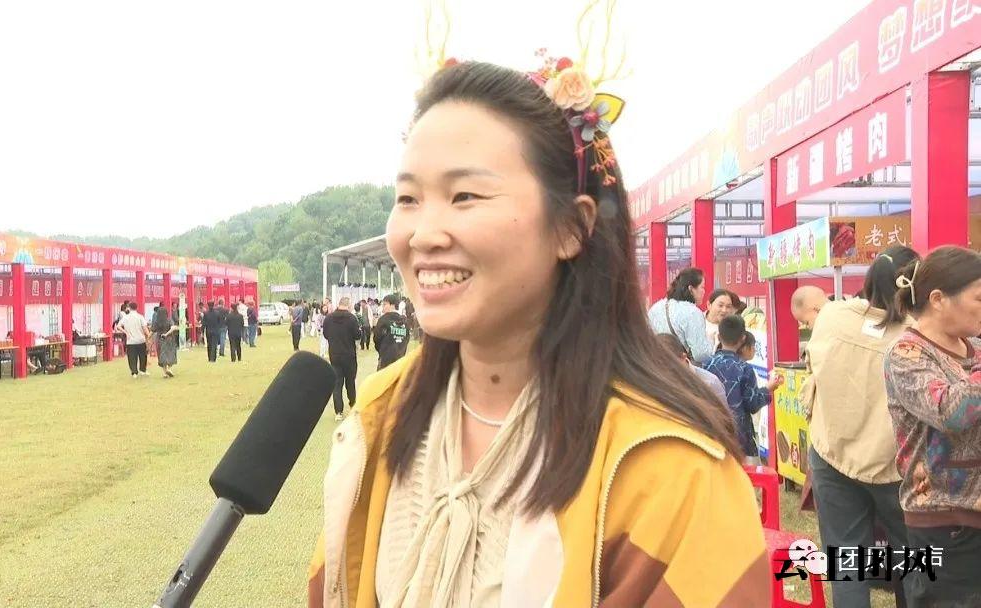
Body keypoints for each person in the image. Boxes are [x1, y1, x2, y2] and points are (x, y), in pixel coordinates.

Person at [308, 60, 766, 607]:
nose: (423, 235)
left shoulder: (673, 472)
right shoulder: (382, 413)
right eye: (408, 199)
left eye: (465, 196)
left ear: (572, 227)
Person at [803, 244, 917, 608]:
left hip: (832, 454)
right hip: (895, 467)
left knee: (846, 561)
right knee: (913, 559)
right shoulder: (917, 335)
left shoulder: (831, 316)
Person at [884, 246, 981, 606]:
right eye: (979, 298)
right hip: (944, 522)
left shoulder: (974, 348)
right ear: (938, 299)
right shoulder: (907, 353)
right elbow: (952, 412)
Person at [705, 315, 782, 460]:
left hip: (712, 431)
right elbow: (752, 403)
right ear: (742, 339)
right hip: (739, 436)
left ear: (719, 337)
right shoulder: (744, 368)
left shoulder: (707, 364)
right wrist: (769, 388)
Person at [647, 268, 714, 364]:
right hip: (679, 366)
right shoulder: (692, 312)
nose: (704, 291)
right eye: (702, 287)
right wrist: (712, 342)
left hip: (656, 363)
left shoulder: (656, 307)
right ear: (691, 289)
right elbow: (701, 355)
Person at [656, 333, 727, 407]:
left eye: (671, 368)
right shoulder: (657, 386)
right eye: (660, 368)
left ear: (684, 357)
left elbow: (723, 412)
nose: (667, 374)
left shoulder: (710, 383)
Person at [323, 297, 360, 421]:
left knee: (337, 384)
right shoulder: (352, 319)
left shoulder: (329, 318)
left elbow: (326, 334)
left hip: (335, 355)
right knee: (350, 382)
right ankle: (353, 405)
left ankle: (338, 411)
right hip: (349, 355)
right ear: (348, 305)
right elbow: (357, 335)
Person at [373, 293, 410, 370]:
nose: (383, 307)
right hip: (400, 359)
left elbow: (377, 338)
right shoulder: (405, 321)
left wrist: (382, 350)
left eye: (385, 304)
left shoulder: (383, 320)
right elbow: (407, 339)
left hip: (385, 360)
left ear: (392, 305)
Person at [119, 301, 150, 378]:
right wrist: (149, 336)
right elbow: (145, 328)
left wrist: (126, 332)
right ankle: (143, 370)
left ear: (129, 308)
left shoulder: (125, 317)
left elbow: (118, 326)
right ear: (137, 308)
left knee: (132, 357)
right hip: (141, 340)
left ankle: (134, 372)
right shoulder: (140, 317)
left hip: (131, 341)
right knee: (143, 356)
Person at [151, 305, 179, 378]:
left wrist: (147, 338)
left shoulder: (156, 322)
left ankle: (165, 372)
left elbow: (152, 331)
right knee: (171, 354)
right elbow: (173, 328)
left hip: (159, 339)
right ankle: (169, 369)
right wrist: (166, 334)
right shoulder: (169, 320)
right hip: (169, 339)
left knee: (161, 355)